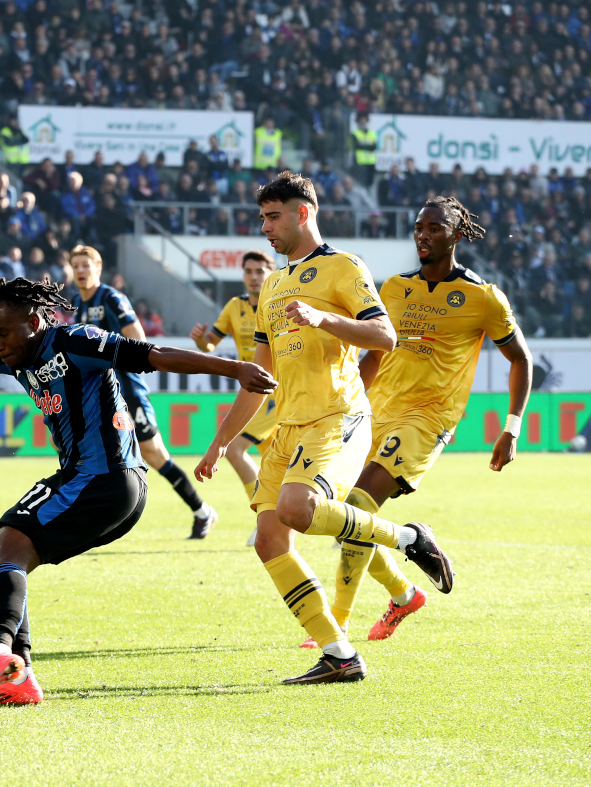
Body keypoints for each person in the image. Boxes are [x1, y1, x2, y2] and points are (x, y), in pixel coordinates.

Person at [0, 277, 276, 713]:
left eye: (3, 333)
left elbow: (152, 355)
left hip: (106, 477)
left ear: (33, 321)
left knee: (11, 541)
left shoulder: (75, 340)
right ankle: (19, 678)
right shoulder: (16, 357)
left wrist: (234, 368)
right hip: (94, 482)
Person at [194, 171, 454, 685]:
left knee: (296, 509)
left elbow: (384, 335)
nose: (265, 227)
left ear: (303, 213)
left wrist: (322, 319)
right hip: (287, 426)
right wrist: (220, 442)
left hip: (338, 416)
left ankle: (408, 537)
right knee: (270, 541)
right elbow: (258, 379)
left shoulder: (343, 267)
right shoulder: (271, 285)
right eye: (262, 217)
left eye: (273, 217)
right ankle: (339, 655)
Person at [302, 197, 532, 647]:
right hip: (374, 411)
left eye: (435, 227)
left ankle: (337, 624)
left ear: (457, 234)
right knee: (347, 515)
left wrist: (512, 426)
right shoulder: (392, 289)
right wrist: (348, 404)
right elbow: (372, 356)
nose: (423, 235)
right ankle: (403, 594)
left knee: (361, 505)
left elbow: (520, 358)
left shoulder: (484, 298)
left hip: (428, 418)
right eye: (418, 227)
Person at [69, 245, 218, 539]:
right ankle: (90, 521)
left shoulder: (111, 298)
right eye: (76, 266)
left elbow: (138, 337)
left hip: (127, 391)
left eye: (86, 265)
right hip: (100, 395)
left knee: (154, 453)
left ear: (98, 269)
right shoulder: (78, 302)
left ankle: (202, 511)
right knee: (95, 452)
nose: (81, 271)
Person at [189, 251, 278, 545]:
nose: (254, 277)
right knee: (281, 466)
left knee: (236, 449)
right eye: (249, 272)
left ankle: (265, 522)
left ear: (270, 273)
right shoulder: (234, 306)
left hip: (276, 392)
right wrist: (200, 339)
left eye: (259, 271)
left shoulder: (276, 303)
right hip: (253, 392)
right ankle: (349, 517)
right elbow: (210, 343)